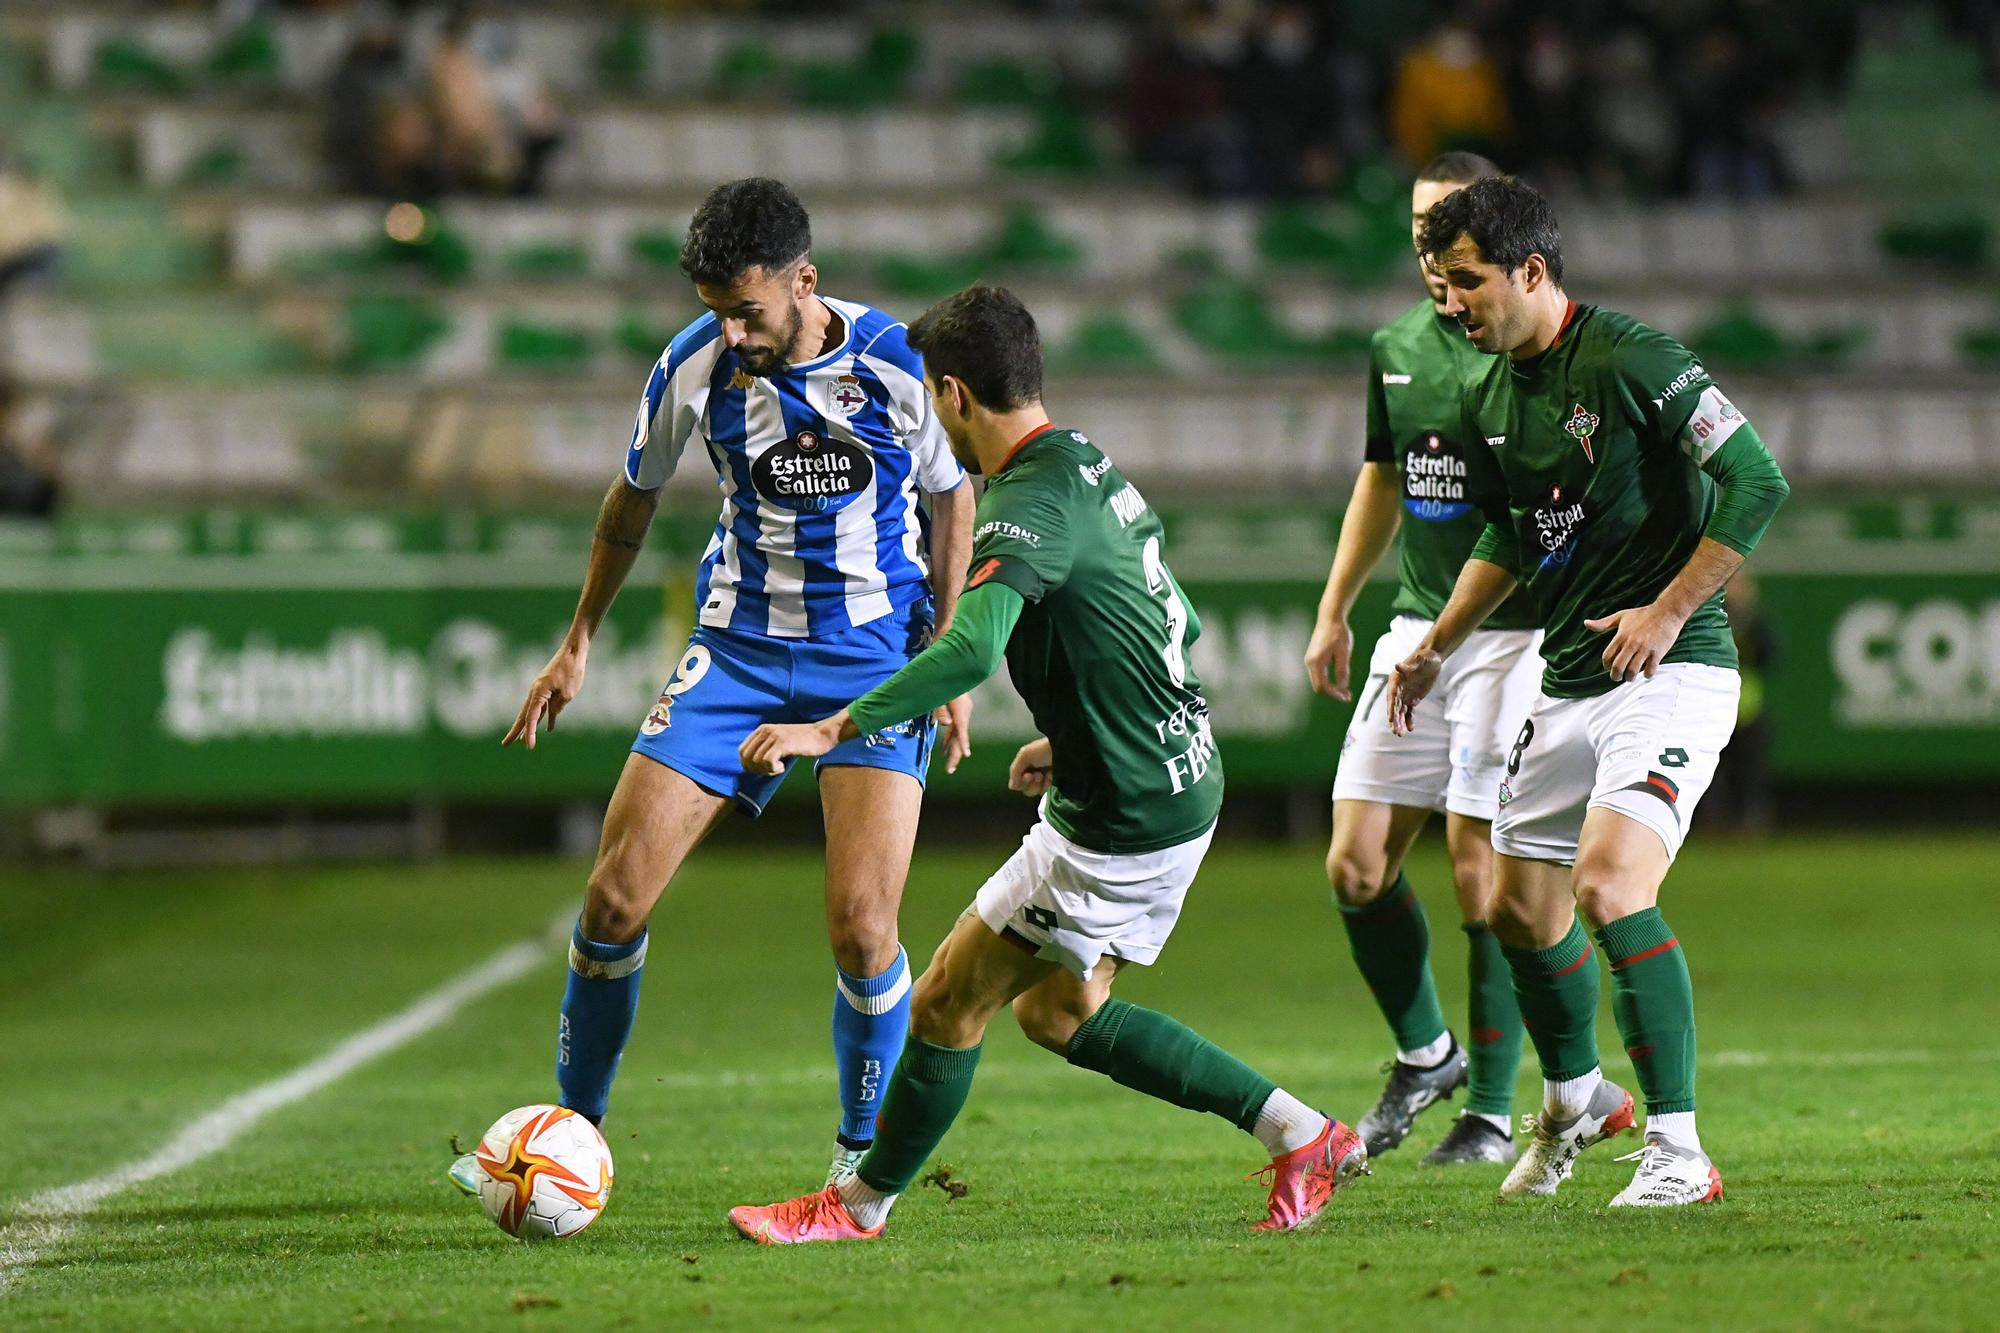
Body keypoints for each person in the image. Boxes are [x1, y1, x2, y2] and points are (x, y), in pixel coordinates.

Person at [723, 284, 1366, 1244]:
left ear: (950, 396)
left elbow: (971, 652)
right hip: (1172, 773)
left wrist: (833, 728)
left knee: (945, 998)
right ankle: (1301, 1135)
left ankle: (857, 1207)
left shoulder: (1022, 498)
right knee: (1059, 1011)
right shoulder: (1086, 464)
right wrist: (1079, 732)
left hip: (1122, 814)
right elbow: (1174, 618)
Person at [449, 178, 975, 1195]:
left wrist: (945, 656)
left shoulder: (898, 363)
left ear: (803, 281)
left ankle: (860, 1156)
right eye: (714, 314)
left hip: (870, 658)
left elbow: (951, 501)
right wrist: (578, 640)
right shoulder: (691, 368)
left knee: (865, 925)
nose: (732, 334)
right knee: (610, 898)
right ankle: (571, 1137)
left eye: (748, 311)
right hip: (733, 652)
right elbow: (631, 497)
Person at [1391, 175, 1788, 1206]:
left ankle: (1677, 1148)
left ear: (1530, 271)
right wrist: (1435, 642)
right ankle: (1572, 1105)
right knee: (1516, 912)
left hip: (1671, 668)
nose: (1451, 303)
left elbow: (1755, 479)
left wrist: (1664, 609)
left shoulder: (1632, 360)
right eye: (1437, 283)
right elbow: (1512, 533)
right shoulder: (1489, 392)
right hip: (1565, 679)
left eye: (1467, 281)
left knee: (1608, 886)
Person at [1303, 151, 1538, 1167]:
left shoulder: (1522, 344)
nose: (1427, 240)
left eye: (1444, 219)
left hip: (1514, 632)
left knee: (1479, 878)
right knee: (1355, 867)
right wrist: (1334, 606)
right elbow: (1383, 477)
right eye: (1416, 223)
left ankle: (1490, 1109)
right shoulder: (1394, 343)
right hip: (1414, 625)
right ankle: (1426, 1051)